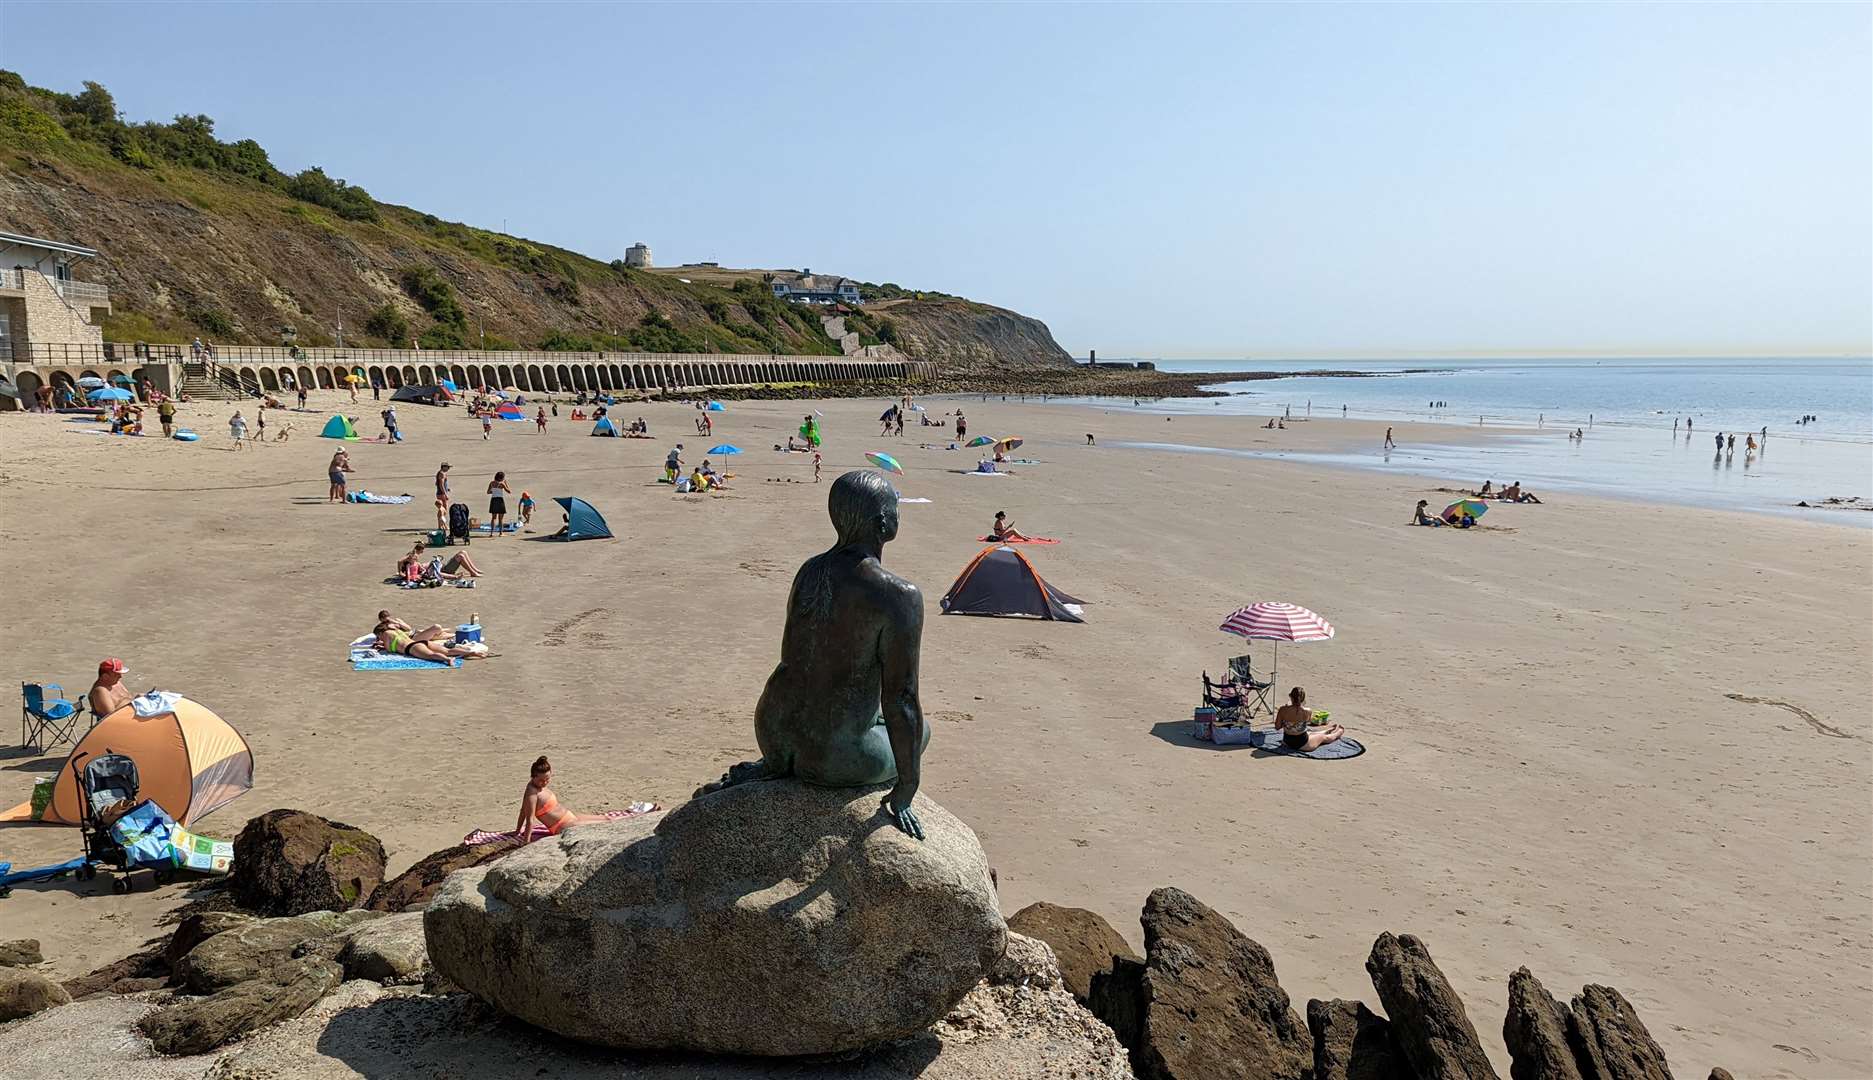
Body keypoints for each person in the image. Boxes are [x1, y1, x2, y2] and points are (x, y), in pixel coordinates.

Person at [695, 471, 929, 839]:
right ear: (883, 522)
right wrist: (906, 788)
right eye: (895, 507)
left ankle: (778, 762)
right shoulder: (898, 596)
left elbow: (796, 656)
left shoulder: (810, 570)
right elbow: (902, 697)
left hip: (775, 734)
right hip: (833, 759)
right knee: (923, 732)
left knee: (867, 711)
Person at [516, 756, 611, 841]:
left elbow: (523, 811)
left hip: (571, 817)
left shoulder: (538, 786)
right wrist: (526, 841)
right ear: (533, 776)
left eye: (547, 779)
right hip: (562, 826)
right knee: (605, 824)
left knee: (606, 819)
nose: (545, 783)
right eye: (541, 780)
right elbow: (527, 817)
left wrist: (517, 830)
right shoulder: (532, 794)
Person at [373, 618, 476, 663]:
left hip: (411, 648)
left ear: (380, 632)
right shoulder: (395, 630)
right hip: (420, 642)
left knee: (430, 655)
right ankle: (472, 652)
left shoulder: (385, 634)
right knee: (447, 651)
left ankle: (448, 660)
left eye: (378, 636)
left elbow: (389, 650)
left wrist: (381, 646)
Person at [1275, 687, 1344, 752]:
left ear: (1291, 697)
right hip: (1303, 744)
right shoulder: (1307, 711)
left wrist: (1286, 723)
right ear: (1303, 699)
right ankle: (1338, 733)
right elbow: (1309, 722)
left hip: (1287, 742)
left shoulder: (1283, 709)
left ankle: (1327, 730)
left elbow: (1277, 727)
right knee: (1323, 737)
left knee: (1310, 733)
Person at [435, 462, 452, 529]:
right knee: (443, 510)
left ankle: (443, 525)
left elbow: (437, 483)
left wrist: (447, 488)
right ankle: (442, 525)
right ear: (443, 467)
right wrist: (445, 494)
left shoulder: (440, 473)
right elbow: (441, 484)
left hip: (440, 493)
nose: (448, 469)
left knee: (443, 510)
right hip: (441, 494)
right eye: (448, 467)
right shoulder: (442, 474)